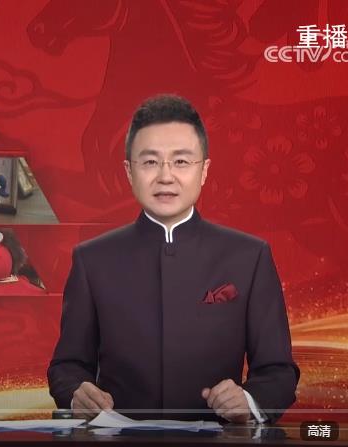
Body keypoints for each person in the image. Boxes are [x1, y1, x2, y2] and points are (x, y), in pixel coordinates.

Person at [47, 94, 299, 424]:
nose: (165, 176)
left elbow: (279, 371)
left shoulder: (249, 257)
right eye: (150, 162)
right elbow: (67, 366)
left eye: (181, 161)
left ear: (204, 170)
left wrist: (249, 401)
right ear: (129, 171)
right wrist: (77, 393)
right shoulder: (91, 260)